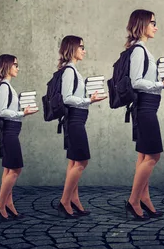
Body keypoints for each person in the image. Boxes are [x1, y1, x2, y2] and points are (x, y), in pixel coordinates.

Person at [124, 9, 164, 220]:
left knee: (144, 156)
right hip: (145, 108)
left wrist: (162, 83)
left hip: (147, 107)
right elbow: (136, 82)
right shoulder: (139, 50)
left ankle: (144, 200)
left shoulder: (140, 49)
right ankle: (133, 201)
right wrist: (161, 83)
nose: (156, 27)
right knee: (153, 155)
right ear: (141, 25)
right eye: (152, 23)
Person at [56, 36, 106, 218]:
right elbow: (67, 98)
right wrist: (89, 100)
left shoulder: (72, 70)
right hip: (74, 121)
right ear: (72, 49)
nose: (84, 51)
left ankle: (74, 200)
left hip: (76, 120)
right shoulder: (69, 71)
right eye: (81, 47)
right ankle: (64, 201)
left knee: (74, 162)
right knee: (82, 161)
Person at [0, 54, 37, 220]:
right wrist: (22, 112)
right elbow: (2, 111)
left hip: (11, 130)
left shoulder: (6, 86)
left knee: (9, 169)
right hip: (9, 132)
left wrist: (22, 113)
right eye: (15, 65)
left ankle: (8, 205)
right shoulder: (4, 86)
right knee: (16, 169)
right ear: (7, 66)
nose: (18, 68)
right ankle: (0, 205)